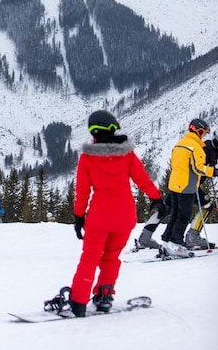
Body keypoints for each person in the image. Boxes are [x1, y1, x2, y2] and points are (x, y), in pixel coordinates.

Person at [69, 110, 165, 317]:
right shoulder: (126, 154)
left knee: (90, 259)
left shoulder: (87, 158)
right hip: (125, 216)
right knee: (111, 257)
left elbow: (82, 192)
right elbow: (142, 179)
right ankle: (104, 296)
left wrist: (78, 217)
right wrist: (157, 199)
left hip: (99, 217)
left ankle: (78, 301)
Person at [135, 130, 218, 251]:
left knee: (167, 208)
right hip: (189, 186)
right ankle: (192, 237)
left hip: (179, 183)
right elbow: (198, 168)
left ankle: (145, 237)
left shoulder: (207, 146)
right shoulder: (206, 150)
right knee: (207, 206)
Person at [161, 119, 218, 257]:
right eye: (204, 132)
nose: (204, 135)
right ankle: (176, 245)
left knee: (175, 215)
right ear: (199, 131)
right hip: (187, 186)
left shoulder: (180, 144)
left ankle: (167, 242)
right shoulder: (195, 147)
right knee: (183, 216)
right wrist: (213, 171)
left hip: (174, 184)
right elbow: (199, 168)